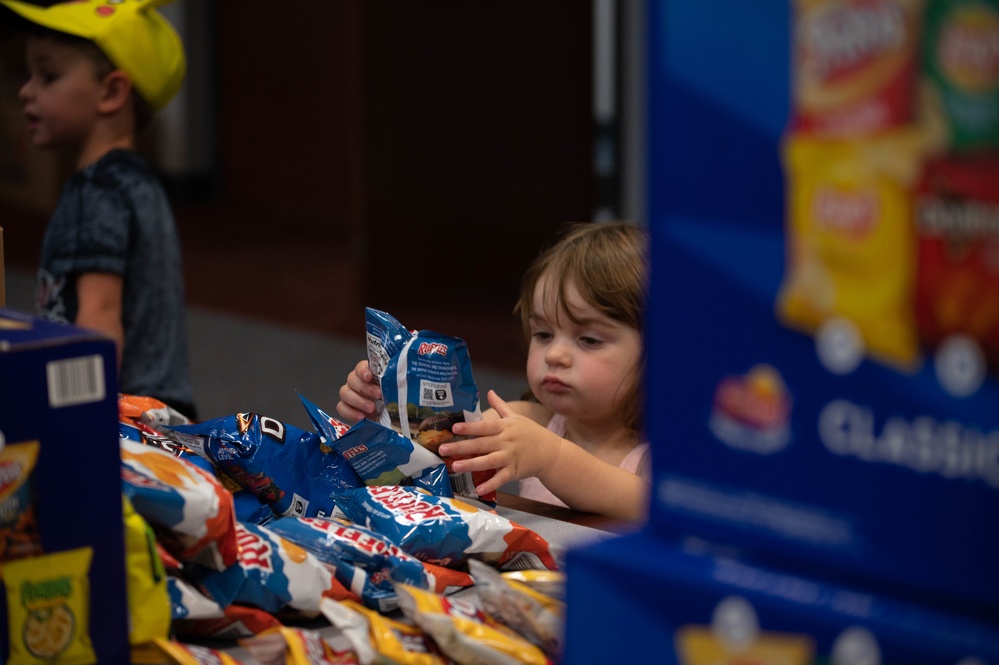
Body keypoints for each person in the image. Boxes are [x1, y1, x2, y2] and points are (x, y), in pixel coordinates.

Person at [337, 221, 651, 522]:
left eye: (589, 339)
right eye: (543, 334)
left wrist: (551, 457)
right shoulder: (529, 419)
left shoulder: (664, 455)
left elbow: (645, 502)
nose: (555, 354)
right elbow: (439, 456)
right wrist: (388, 409)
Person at [1, 0, 196, 418]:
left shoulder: (96, 191)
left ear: (111, 92)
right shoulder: (140, 184)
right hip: (163, 413)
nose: (25, 90)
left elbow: (98, 321)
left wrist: (77, 421)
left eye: (48, 75)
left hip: (121, 417)